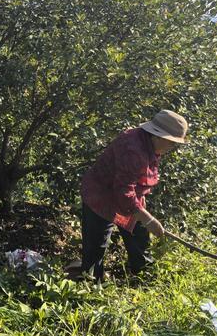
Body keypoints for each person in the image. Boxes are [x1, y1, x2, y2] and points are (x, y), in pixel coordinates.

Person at [79, 109, 188, 281]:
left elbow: (134, 182)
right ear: (158, 136)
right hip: (101, 195)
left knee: (139, 238)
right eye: (172, 143)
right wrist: (149, 219)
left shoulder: (149, 143)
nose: (172, 148)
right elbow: (124, 190)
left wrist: (142, 210)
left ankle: (145, 279)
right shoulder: (133, 150)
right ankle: (91, 285)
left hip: (128, 198)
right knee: (95, 248)